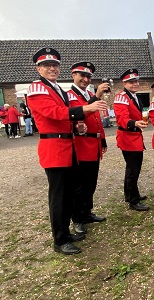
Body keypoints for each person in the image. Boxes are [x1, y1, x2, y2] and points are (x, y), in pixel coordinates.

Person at [27, 47, 108, 255]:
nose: (52, 68)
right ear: (38, 68)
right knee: (58, 197)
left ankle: (65, 232)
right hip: (54, 148)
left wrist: (76, 126)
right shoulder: (38, 88)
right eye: (46, 65)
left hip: (68, 146)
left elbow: (63, 118)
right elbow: (52, 113)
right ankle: (59, 239)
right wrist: (85, 109)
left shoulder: (56, 89)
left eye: (54, 65)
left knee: (69, 193)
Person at [67, 62, 110, 235]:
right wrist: (98, 95)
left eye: (88, 77)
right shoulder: (69, 96)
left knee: (91, 183)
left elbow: (97, 120)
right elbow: (77, 115)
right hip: (81, 144)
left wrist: (103, 140)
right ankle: (77, 218)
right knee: (79, 186)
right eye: (81, 76)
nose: (85, 79)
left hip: (94, 144)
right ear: (73, 75)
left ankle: (87, 212)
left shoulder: (90, 94)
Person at [114, 69, 149, 211]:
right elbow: (121, 118)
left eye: (136, 81)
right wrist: (134, 123)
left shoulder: (134, 96)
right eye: (131, 82)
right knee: (133, 170)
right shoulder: (121, 97)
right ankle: (133, 201)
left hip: (135, 136)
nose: (135, 84)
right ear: (124, 83)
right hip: (128, 137)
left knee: (132, 168)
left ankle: (130, 194)